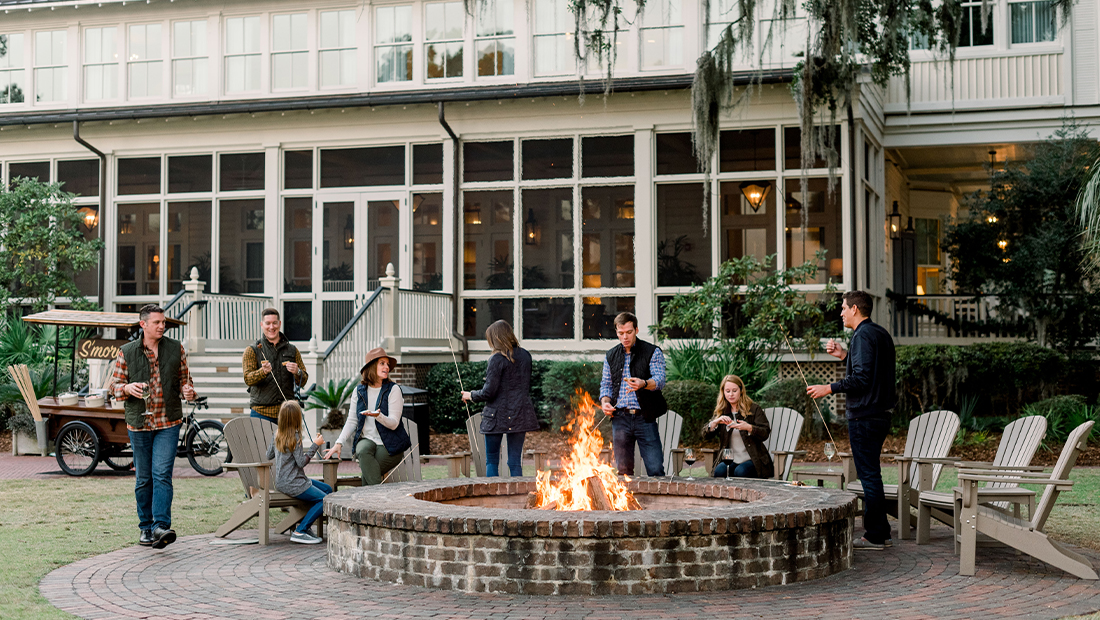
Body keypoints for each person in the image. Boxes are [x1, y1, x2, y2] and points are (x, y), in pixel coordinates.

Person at [807, 290, 897, 550]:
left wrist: (828, 388)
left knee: (868, 475)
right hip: (880, 415)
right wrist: (845, 356)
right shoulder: (879, 334)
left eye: (844, 308)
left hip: (865, 416)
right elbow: (872, 371)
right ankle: (882, 532)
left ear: (855, 309)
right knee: (872, 474)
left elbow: (862, 380)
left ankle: (876, 535)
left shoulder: (862, 335)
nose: (841, 312)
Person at [111, 304, 197, 549]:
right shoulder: (127, 352)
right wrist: (127, 388)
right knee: (144, 479)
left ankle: (161, 526)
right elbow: (114, 387)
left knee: (162, 475)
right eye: (157, 322)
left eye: (163, 322)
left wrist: (188, 391)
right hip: (139, 423)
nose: (162, 326)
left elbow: (185, 381)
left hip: (168, 422)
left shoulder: (175, 348)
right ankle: (145, 527)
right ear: (143, 325)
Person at [461, 320, 539, 477]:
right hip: (520, 413)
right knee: (515, 462)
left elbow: (489, 392)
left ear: (495, 338)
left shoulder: (496, 359)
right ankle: (520, 499)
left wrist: (471, 395)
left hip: (496, 416)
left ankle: (493, 498)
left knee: (491, 460)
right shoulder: (525, 355)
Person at [324, 348, 411, 485]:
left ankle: (370, 501)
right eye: (382, 363)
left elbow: (394, 423)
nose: (386, 367)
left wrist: (379, 416)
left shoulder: (393, 390)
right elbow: (352, 420)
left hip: (390, 445)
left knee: (368, 472)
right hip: (368, 440)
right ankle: (377, 501)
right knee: (362, 450)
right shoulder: (359, 391)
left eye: (387, 364)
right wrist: (338, 443)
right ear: (371, 366)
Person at [599, 312, 669, 476]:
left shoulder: (652, 352)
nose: (625, 337)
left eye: (629, 332)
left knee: (655, 468)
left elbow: (660, 380)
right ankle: (625, 502)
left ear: (636, 330)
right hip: (620, 418)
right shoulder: (611, 355)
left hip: (645, 417)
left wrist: (644, 384)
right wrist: (605, 402)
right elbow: (606, 385)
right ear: (616, 332)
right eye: (621, 333)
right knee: (623, 471)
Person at [266, 400, 331, 544]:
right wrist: (316, 445)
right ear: (297, 418)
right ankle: (300, 530)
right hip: (294, 482)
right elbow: (302, 462)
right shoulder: (294, 437)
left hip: (284, 481)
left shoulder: (277, 434)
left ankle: (305, 526)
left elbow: (268, 455)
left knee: (328, 489)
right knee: (323, 499)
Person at [242, 308, 308, 423]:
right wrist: (262, 372)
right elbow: (248, 379)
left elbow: (303, 381)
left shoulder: (292, 350)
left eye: (274, 323)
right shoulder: (252, 350)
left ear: (280, 324)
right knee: (262, 442)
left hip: (287, 412)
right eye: (268, 323)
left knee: (291, 442)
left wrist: (297, 372)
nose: (271, 327)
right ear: (262, 325)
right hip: (261, 412)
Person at [705, 375, 773, 479]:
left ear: (741, 390)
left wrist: (749, 427)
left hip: (753, 460)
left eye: (734, 390)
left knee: (740, 472)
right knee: (719, 471)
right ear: (723, 392)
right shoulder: (722, 411)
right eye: (727, 391)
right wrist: (714, 423)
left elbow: (765, 432)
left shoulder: (754, 409)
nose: (731, 394)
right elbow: (706, 436)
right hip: (730, 459)